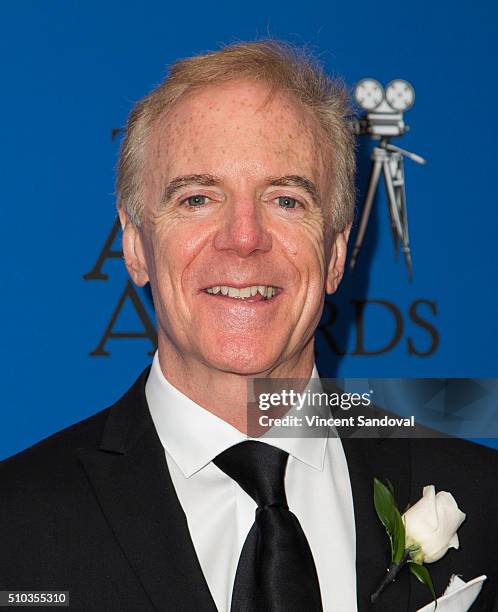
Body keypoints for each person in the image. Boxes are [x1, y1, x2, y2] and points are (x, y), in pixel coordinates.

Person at [0, 41, 496, 612]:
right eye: (197, 198)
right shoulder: (14, 524)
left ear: (336, 252)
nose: (243, 237)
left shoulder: (486, 504)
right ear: (135, 244)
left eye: (286, 200)